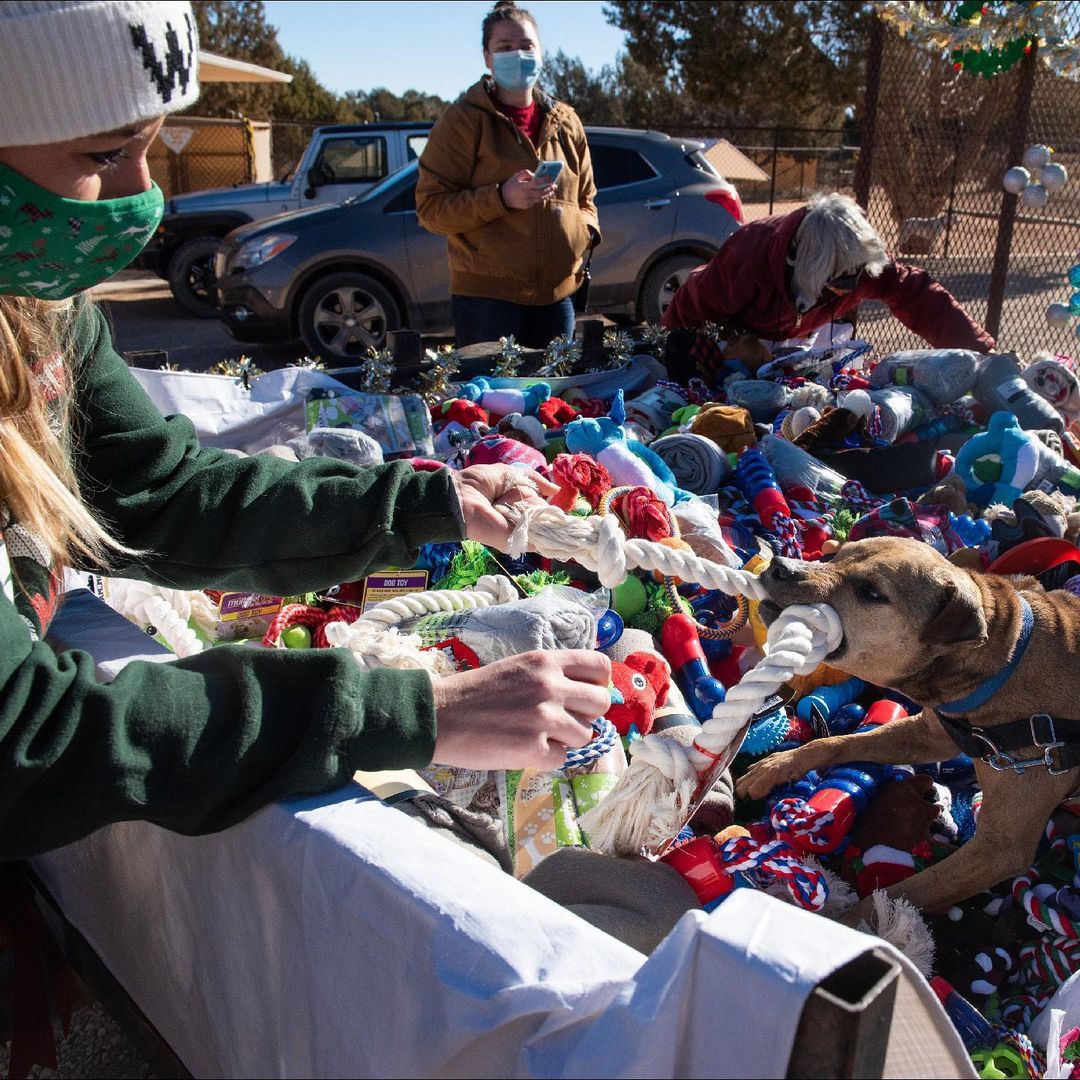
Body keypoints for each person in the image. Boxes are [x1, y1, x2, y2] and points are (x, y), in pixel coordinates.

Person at [0, 0, 612, 861]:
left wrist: (422, 503)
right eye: (104, 154)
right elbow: (24, 741)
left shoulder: (39, 303)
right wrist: (410, 711)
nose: (145, 194)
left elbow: (159, 493)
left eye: (151, 145)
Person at [416, 0, 600, 350]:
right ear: (487, 57)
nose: (518, 54)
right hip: (488, 303)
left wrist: (582, 235)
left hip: (559, 297)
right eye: (505, 47)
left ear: (541, 51)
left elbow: (587, 199)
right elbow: (431, 210)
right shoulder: (463, 121)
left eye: (526, 45)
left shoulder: (566, 121)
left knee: (557, 401)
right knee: (492, 403)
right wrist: (501, 197)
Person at [661, 192, 995, 356]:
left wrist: (979, 353)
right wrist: (676, 360)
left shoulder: (861, 262)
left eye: (858, 278)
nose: (850, 289)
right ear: (807, 268)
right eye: (837, 283)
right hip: (741, 337)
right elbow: (691, 309)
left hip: (803, 344)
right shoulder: (749, 255)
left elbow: (918, 294)